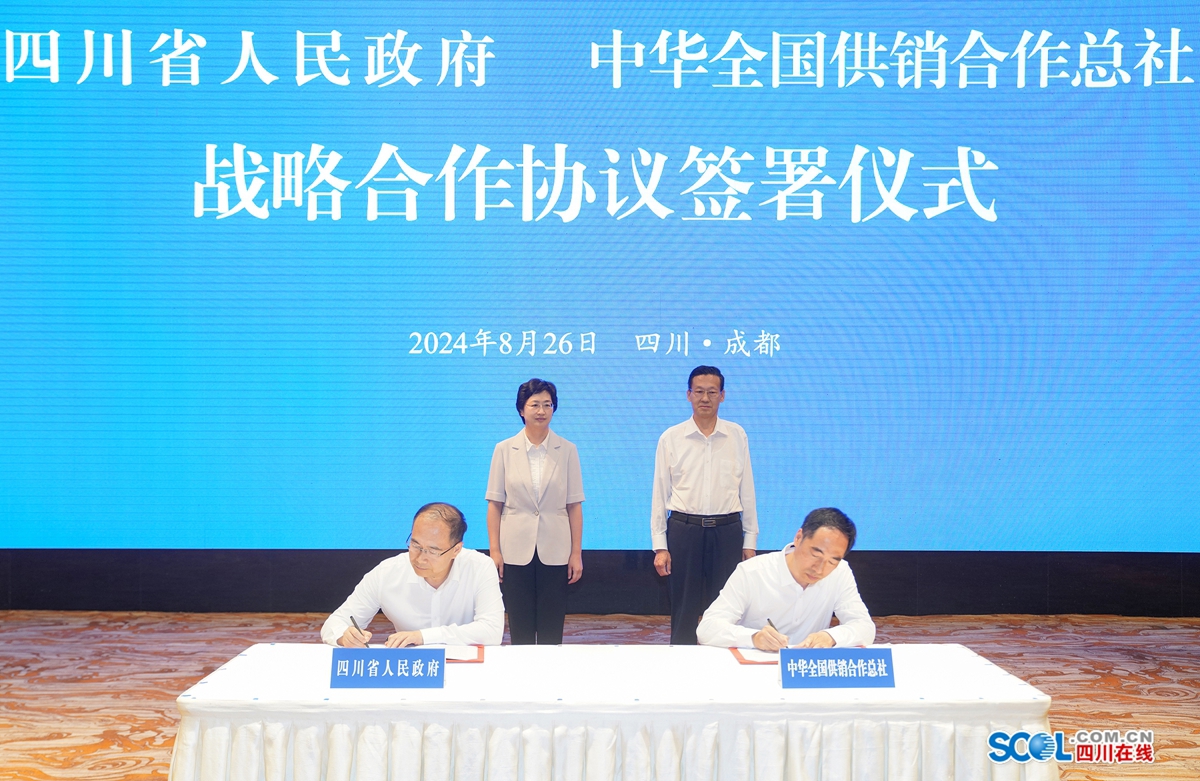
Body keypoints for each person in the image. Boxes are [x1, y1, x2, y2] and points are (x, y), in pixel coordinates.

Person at [651, 365, 758, 645]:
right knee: (683, 608)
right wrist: (660, 546)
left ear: (722, 395)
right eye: (699, 392)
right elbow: (660, 493)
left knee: (726, 608)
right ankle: (681, 660)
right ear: (688, 395)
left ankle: (722, 664)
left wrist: (750, 540)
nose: (705, 398)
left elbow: (747, 489)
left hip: (727, 531)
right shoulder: (671, 437)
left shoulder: (737, 435)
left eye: (712, 392)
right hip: (684, 530)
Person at [321, 502, 504, 647]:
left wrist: (422, 636)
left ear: (456, 550)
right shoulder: (387, 573)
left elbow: (492, 630)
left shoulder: (479, 567)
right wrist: (344, 637)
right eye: (415, 545)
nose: (420, 558)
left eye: (432, 551)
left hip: (466, 667)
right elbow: (335, 622)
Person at [486, 378, 585, 644]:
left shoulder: (568, 450)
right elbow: (495, 504)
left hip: (556, 549)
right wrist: (495, 551)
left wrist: (576, 553)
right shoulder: (504, 449)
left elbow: (574, 506)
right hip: (514, 550)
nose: (541, 411)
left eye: (547, 405)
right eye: (535, 405)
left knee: (552, 628)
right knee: (520, 627)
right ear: (521, 409)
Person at [697, 507, 875, 650]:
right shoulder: (752, 572)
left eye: (832, 561)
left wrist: (831, 636)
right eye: (815, 554)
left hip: (804, 670)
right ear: (798, 537)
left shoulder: (841, 572)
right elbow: (707, 628)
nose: (820, 569)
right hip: (756, 668)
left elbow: (864, 626)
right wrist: (753, 638)